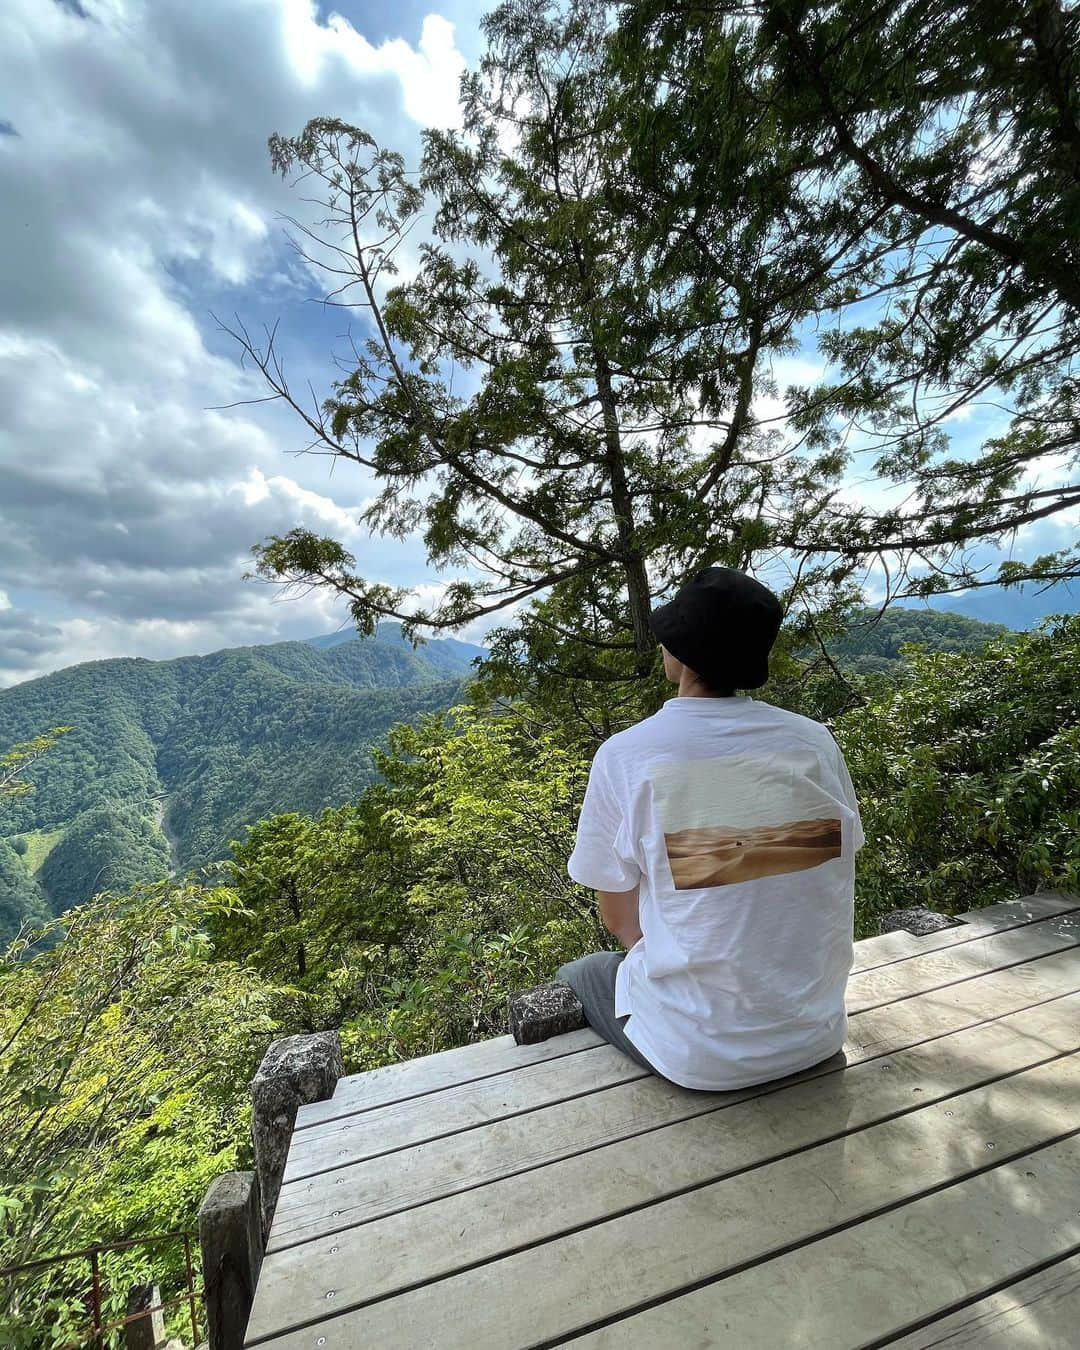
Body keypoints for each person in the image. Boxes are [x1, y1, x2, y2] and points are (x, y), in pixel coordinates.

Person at [558, 567, 863, 1091]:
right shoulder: (814, 743)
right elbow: (829, 865)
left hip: (702, 1058)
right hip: (817, 1032)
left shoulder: (629, 756)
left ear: (680, 653)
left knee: (582, 973)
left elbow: (620, 920)